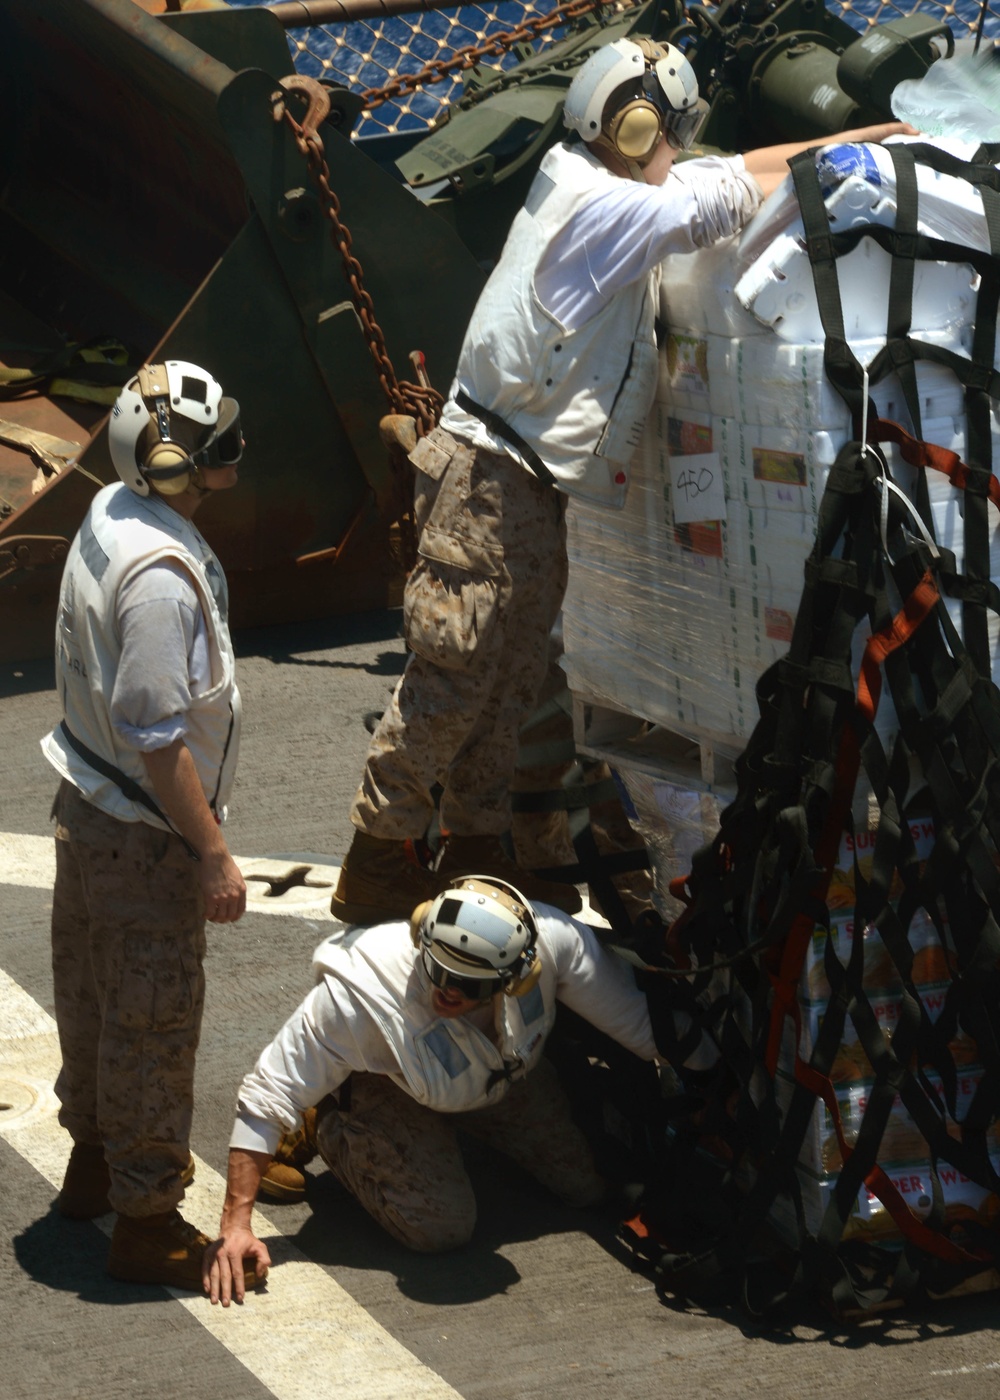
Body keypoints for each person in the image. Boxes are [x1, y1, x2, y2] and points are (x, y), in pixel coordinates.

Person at [331, 36, 915, 928]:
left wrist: (883, 133)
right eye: (673, 133)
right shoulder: (604, 210)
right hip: (490, 481)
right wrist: (879, 144)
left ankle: (478, 847)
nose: (678, 148)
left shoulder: (589, 174)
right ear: (641, 128)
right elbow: (727, 192)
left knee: (509, 675)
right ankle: (377, 857)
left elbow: (718, 172)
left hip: (519, 484)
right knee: (453, 681)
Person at [41, 359, 264, 1295]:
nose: (231, 463)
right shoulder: (162, 583)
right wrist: (211, 854)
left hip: (86, 808)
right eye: (218, 454)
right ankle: (143, 1221)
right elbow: (158, 737)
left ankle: (91, 1166)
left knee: (91, 1002)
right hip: (143, 834)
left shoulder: (108, 516)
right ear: (170, 467)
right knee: (150, 1027)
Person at [203, 875, 680, 1305]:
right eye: (438, 970)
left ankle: (444, 1127)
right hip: (392, 1083)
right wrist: (235, 1226)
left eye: (468, 983)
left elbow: (650, 1032)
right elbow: (267, 1094)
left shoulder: (553, 944)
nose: (447, 991)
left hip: (499, 1080)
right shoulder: (360, 996)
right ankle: (330, 1114)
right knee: (438, 1227)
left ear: (516, 979)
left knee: (591, 1180)